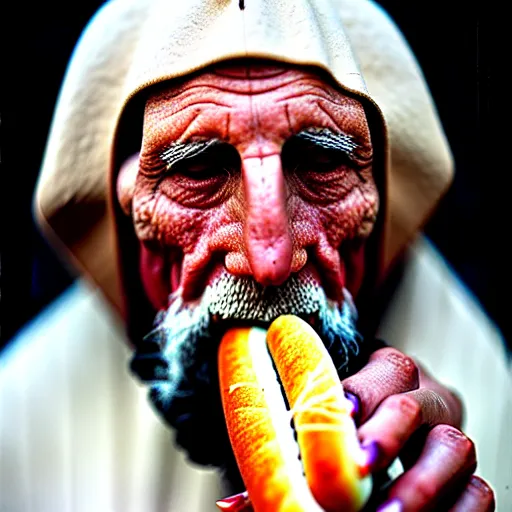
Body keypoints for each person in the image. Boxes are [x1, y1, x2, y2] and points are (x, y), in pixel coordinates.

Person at [1, 0, 510, 511]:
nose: (271, 261)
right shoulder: (23, 421)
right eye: (198, 169)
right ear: (130, 223)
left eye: (320, 162)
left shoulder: (490, 388)